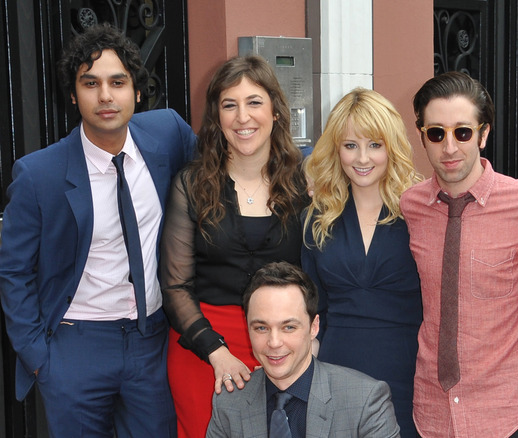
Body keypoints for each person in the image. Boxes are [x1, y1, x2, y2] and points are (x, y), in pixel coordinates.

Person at [0, 23, 195, 437]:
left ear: (137, 91)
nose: (105, 96)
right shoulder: (39, 174)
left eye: (117, 82)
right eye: (90, 83)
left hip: (152, 339)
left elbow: (219, 175)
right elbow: (14, 272)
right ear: (73, 94)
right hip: (75, 343)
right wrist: (40, 356)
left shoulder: (169, 134)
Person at [160, 55, 307, 437]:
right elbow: (175, 285)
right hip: (203, 348)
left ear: (275, 111)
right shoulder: (191, 185)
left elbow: (317, 271)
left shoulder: (302, 185)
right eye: (230, 105)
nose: (243, 117)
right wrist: (216, 352)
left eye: (254, 102)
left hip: (280, 345)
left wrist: (305, 340)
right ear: (217, 117)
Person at [400, 71, 518, 438]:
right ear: (422, 136)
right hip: (431, 414)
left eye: (462, 132)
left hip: (507, 413)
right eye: (436, 133)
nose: (449, 147)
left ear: (483, 134)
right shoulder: (411, 206)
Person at [301, 88, 423, 437]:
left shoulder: (422, 211)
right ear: (336, 150)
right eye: (350, 145)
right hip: (337, 369)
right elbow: (314, 309)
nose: (362, 158)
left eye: (374, 144)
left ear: (392, 147)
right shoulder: (315, 220)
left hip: (410, 370)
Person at [206, 261, 401, 438]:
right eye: (261, 328)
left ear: (314, 327)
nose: (274, 342)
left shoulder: (365, 401)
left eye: (288, 327)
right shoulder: (229, 403)